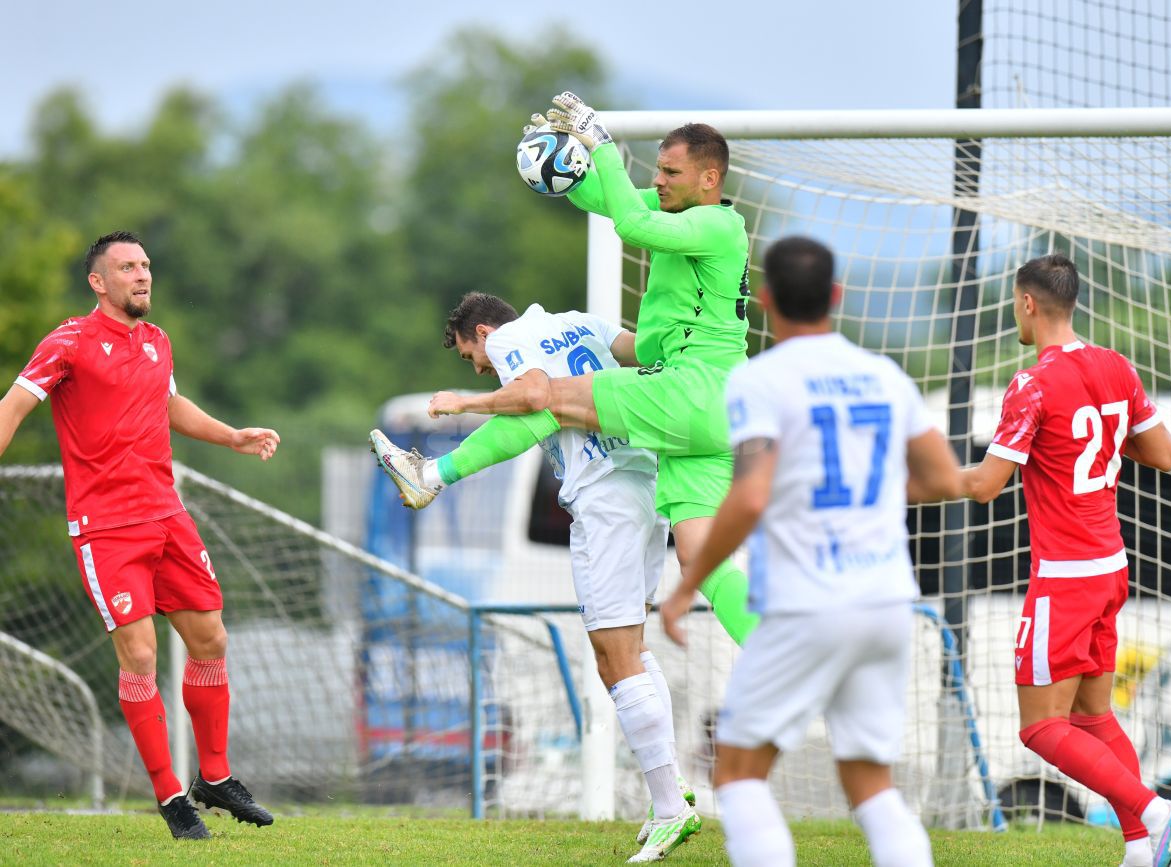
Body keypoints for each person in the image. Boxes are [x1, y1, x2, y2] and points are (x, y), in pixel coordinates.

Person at [378, 91, 759, 647]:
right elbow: (615, 203)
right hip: (712, 409)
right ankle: (784, 666)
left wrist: (602, 143)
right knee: (704, 560)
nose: (658, 181)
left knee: (549, 397)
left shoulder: (718, 227)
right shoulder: (681, 220)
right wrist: (562, 170)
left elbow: (628, 225)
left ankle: (432, 476)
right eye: (657, 169)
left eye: (670, 172)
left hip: (693, 389)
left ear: (709, 179)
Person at [659, 236, 962, 867]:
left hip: (806, 600)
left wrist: (689, 585)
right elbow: (942, 478)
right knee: (871, 781)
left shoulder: (758, 380)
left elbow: (748, 496)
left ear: (765, 299)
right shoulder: (884, 374)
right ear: (836, 296)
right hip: (884, 601)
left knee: (739, 772)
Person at [370, 292, 700, 862]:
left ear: (482, 330)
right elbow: (641, 352)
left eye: (473, 356)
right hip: (646, 489)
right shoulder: (578, 323)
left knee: (612, 658)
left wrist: (462, 402)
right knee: (633, 649)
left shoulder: (510, 341)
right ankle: (667, 794)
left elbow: (530, 394)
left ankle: (671, 806)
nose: (481, 367)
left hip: (602, 499)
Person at [0, 231, 279, 840]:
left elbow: (170, 405)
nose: (142, 275)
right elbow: (14, 406)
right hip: (106, 528)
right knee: (141, 656)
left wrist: (231, 435)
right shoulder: (68, 342)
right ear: (99, 282)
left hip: (167, 516)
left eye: (146, 265)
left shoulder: (157, 341)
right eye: (127, 267)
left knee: (210, 637)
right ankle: (172, 797)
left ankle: (214, 777)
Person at [960, 252, 1171, 867]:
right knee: (1091, 718)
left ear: (1027, 303)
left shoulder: (1032, 384)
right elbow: (1163, 454)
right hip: (1111, 565)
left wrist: (915, 479)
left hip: (1064, 576)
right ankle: (1142, 848)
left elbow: (984, 485)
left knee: (1038, 728)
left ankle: (1158, 813)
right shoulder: (1115, 365)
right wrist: (1105, 444)